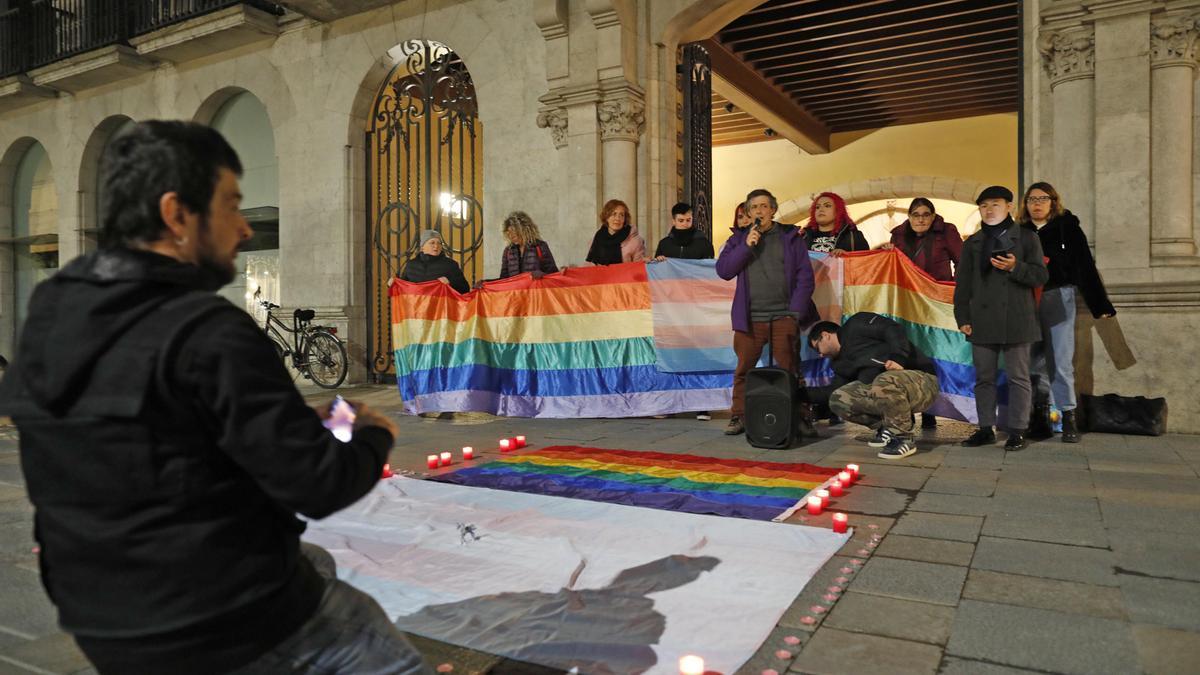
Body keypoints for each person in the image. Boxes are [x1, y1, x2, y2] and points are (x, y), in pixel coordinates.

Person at [0, 121, 427, 674]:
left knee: (314, 562)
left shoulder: (51, 315)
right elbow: (319, 483)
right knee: (368, 634)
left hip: (99, 613)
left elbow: (156, 444)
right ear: (178, 214)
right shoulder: (206, 330)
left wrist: (289, 424)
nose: (245, 229)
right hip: (215, 616)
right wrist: (370, 431)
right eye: (231, 204)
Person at [953, 185, 1049, 451]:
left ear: (1009, 206)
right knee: (984, 377)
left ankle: (1018, 430)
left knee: (1019, 377)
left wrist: (1014, 267)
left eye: (995, 204)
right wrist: (962, 317)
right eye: (984, 205)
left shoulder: (1027, 238)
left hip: (1017, 317)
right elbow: (963, 285)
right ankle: (985, 428)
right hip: (982, 319)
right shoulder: (972, 243)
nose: (989, 209)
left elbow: (1040, 276)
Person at [1018, 181, 1115, 443]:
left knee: (1060, 360)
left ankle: (1067, 416)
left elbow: (1085, 266)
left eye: (1042, 198)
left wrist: (1100, 305)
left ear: (1053, 201)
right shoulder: (1019, 231)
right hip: (1026, 300)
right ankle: (1039, 417)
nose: (1036, 203)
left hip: (1058, 296)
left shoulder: (1068, 228)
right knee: (1032, 361)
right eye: (1031, 199)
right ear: (1025, 204)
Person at [715, 188, 817, 436]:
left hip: (784, 316)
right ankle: (739, 415)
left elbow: (806, 277)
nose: (759, 211)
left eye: (763, 206)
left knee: (791, 368)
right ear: (748, 213)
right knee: (743, 370)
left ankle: (800, 415)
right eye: (753, 208)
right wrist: (746, 246)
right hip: (750, 318)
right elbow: (724, 270)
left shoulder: (791, 237)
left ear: (773, 209)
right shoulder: (739, 239)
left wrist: (795, 312)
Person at [879, 197, 964, 429]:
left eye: (926, 214)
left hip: (937, 303)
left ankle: (932, 408)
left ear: (933, 216)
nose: (921, 219)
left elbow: (962, 261)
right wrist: (886, 252)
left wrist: (952, 291)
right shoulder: (898, 235)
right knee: (912, 354)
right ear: (909, 217)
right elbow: (891, 265)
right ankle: (912, 407)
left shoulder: (947, 231)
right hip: (908, 304)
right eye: (916, 214)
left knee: (935, 355)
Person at [807, 314, 941, 460]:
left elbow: (893, 329)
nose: (819, 354)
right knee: (838, 398)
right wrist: (798, 393)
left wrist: (898, 357)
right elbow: (831, 393)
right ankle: (886, 427)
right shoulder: (839, 364)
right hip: (886, 390)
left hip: (922, 382)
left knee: (882, 381)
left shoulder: (855, 325)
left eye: (817, 347)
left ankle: (903, 437)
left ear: (825, 335)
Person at [653, 202, 715, 421]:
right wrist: (658, 262)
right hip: (671, 309)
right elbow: (657, 274)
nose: (685, 224)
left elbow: (709, 271)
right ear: (673, 220)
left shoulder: (703, 243)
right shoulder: (664, 244)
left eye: (688, 220)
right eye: (681, 220)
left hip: (696, 307)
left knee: (699, 354)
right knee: (672, 355)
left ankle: (703, 405)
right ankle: (670, 403)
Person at [400, 229, 471, 293]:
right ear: (422, 247)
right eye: (432, 243)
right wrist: (393, 284)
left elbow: (465, 289)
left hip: (440, 307)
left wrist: (450, 283)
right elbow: (402, 287)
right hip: (417, 307)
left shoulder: (450, 265)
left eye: (439, 243)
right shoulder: (411, 265)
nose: (436, 246)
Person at [802, 191, 869, 256]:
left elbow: (866, 263)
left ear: (838, 211)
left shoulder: (853, 237)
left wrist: (847, 256)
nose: (821, 209)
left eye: (827, 206)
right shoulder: (802, 238)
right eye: (817, 207)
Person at [499, 210, 558, 279]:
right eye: (508, 233)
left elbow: (554, 275)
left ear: (524, 229)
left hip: (535, 289)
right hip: (516, 290)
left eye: (513, 232)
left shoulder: (540, 246)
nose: (511, 236)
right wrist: (486, 283)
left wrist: (542, 275)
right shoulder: (508, 251)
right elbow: (503, 280)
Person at [586, 198, 646, 265]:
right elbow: (589, 265)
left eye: (621, 215)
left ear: (625, 219)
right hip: (600, 275)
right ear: (606, 217)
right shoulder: (597, 237)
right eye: (614, 214)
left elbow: (639, 267)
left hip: (625, 275)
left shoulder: (635, 241)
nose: (617, 218)